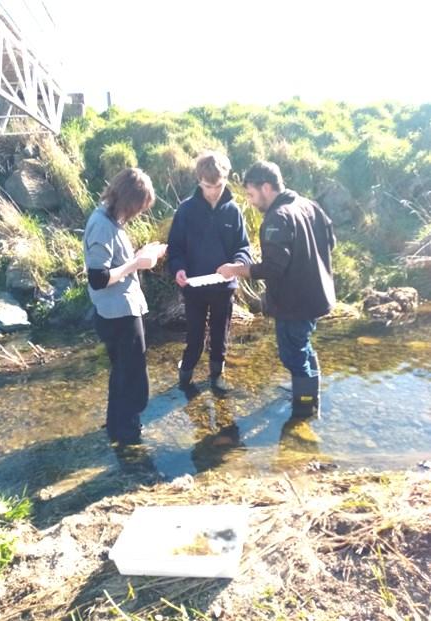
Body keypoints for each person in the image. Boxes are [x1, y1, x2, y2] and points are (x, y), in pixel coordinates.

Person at [217, 161, 336, 417]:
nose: (250, 202)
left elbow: (272, 268)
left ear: (266, 187)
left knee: (293, 355)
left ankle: (304, 408)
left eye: (251, 194)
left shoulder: (277, 218)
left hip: (294, 303)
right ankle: (311, 396)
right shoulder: (309, 205)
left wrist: (235, 269)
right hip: (316, 297)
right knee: (302, 345)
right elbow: (331, 242)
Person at [83, 168, 167, 445]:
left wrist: (143, 255)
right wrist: (137, 263)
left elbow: (115, 263)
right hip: (117, 313)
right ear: (127, 200)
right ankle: (127, 433)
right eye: (138, 207)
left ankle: (117, 426)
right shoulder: (102, 225)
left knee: (123, 372)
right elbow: (98, 278)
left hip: (120, 309)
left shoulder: (110, 219)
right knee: (133, 375)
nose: (138, 213)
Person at [167, 151, 251, 396]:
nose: (213, 191)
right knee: (194, 337)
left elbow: (243, 247)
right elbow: (175, 248)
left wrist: (237, 264)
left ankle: (217, 377)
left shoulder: (233, 211)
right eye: (207, 186)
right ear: (199, 181)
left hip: (224, 287)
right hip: (193, 287)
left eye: (218, 186)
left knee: (220, 335)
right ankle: (185, 379)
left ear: (226, 180)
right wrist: (178, 269)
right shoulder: (186, 210)